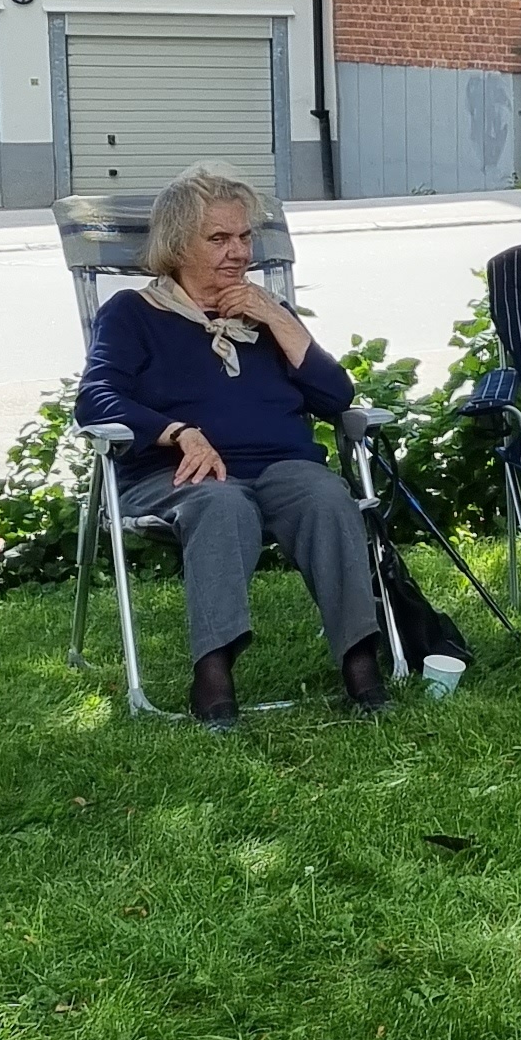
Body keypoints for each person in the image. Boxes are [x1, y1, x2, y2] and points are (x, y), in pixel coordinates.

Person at [75, 163, 389, 725]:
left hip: (281, 467)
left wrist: (277, 318)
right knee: (221, 504)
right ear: (176, 245)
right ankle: (213, 674)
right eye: (219, 238)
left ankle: (360, 663)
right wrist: (177, 431)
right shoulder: (132, 314)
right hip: (175, 476)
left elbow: (336, 397)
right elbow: (96, 398)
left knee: (324, 494)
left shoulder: (267, 315)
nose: (238, 251)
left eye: (244, 236)